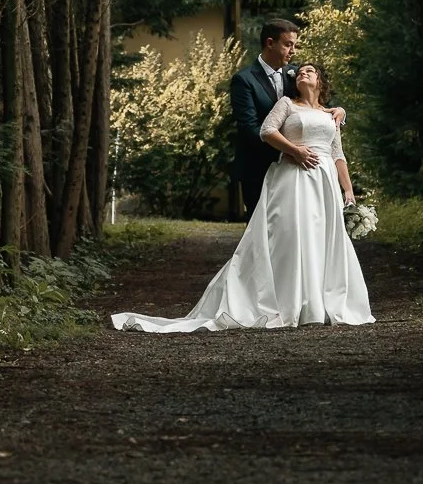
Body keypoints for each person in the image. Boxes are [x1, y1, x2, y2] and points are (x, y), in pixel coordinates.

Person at [112, 61, 373, 332]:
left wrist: (348, 191)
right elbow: (266, 131)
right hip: (294, 178)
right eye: (301, 71)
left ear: (321, 81)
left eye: (310, 71)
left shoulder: (332, 114)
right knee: (292, 235)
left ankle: (320, 302)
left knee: (323, 238)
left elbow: (337, 154)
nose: (303, 73)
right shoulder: (286, 103)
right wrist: (295, 151)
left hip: (325, 181)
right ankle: (294, 302)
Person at [228, 19, 344, 216]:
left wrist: (341, 111)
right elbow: (250, 128)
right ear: (270, 43)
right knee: (262, 230)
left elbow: (319, 102)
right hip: (258, 167)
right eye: (288, 44)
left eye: (295, 45)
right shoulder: (244, 80)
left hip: (298, 170)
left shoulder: (296, 73)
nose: (294, 51)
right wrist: (289, 151)